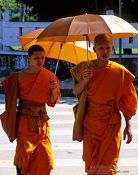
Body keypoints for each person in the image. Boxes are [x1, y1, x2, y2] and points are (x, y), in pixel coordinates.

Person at [71, 33, 137, 175]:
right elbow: (76, 91)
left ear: (112, 49)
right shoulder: (85, 67)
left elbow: (128, 102)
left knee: (107, 166)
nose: (104, 52)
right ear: (94, 50)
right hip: (90, 123)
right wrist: (85, 80)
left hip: (111, 125)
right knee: (91, 163)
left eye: (107, 48)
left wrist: (129, 125)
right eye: (100, 48)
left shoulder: (120, 72)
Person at [0, 45, 60, 175]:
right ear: (29, 58)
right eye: (36, 58)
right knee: (24, 156)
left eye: (43, 58)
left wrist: (54, 89)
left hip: (42, 123)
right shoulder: (18, 77)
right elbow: (10, 101)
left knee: (44, 158)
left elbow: (52, 102)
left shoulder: (49, 77)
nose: (40, 61)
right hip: (24, 122)